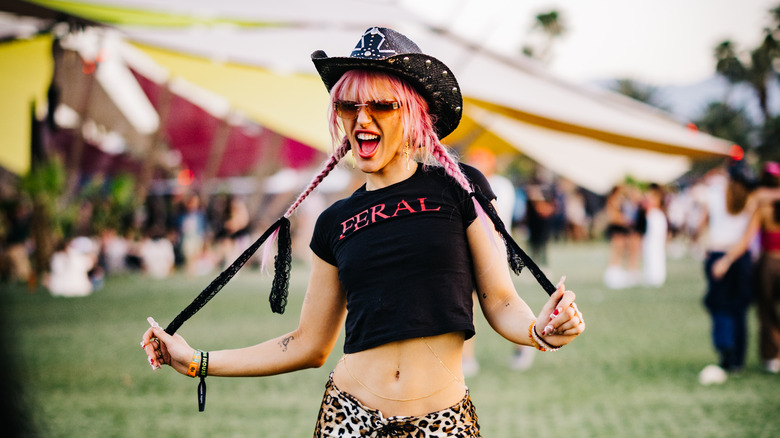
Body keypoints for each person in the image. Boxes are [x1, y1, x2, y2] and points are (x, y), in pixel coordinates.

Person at [141, 27, 584, 436]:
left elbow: (501, 300)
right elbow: (308, 345)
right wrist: (198, 361)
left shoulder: (457, 188)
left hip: (443, 423)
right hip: (347, 418)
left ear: (415, 114)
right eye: (348, 106)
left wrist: (539, 330)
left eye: (381, 105)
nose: (361, 118)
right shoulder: (333, 221)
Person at [711, 162, 780, 374]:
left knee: (766, 311)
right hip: (765, 262)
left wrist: (726, 260)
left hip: (769, 262)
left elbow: (746, 239)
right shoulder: (760, 201)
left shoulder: (759, 203)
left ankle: (772, 356)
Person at [699, 160, 756, 381]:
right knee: (738, 309)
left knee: (720, 307)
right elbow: (747, 239)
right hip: (740, 259)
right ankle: (738, 360)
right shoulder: (752, 200)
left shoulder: (714, 194)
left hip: (719, 256)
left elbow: (701, 223)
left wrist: (720, 258)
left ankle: (725, 352)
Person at [642, 183, 668, 287]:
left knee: (656, 249)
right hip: (652, 217)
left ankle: (656, 276)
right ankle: (651, 275)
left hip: (655, 217)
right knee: (650, 249)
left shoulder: (655, 197)